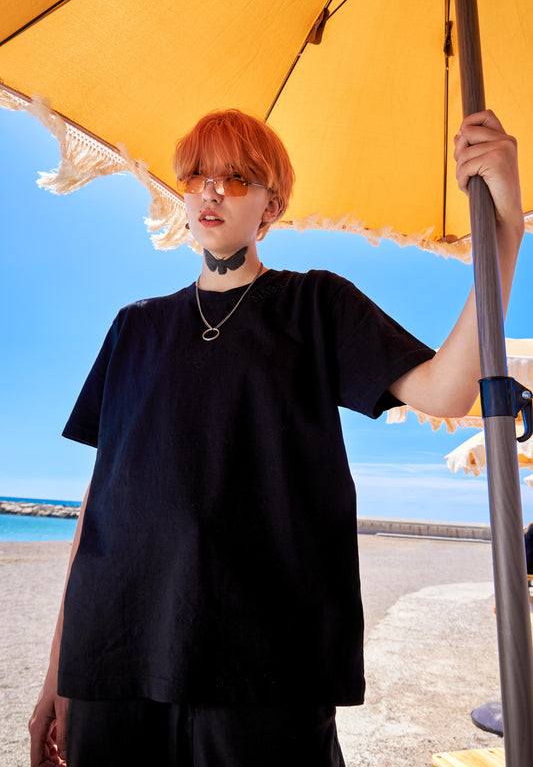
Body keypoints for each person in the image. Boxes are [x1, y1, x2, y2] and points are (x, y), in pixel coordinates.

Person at [29, 108, 524, 767]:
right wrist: (56, 673)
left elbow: (447, 392)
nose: (211, 190)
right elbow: (98, 509)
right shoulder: (132, 328)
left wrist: (505, 231)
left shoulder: (316, 305)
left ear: (271, 206)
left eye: (235, 178)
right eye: (196, 175)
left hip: (267, 667)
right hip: (111, 661)